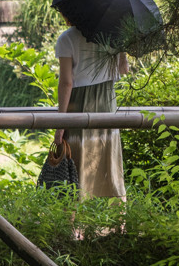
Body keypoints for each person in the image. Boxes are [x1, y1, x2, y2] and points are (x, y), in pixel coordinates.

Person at [53, 19, 129, 200]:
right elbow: (124, 69)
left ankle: (74, 222)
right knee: (108, 160)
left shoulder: (67, 38)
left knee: (76, 163)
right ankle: (117, 222)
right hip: (107, 102)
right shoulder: (113, 35)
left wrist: (59, 125)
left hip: (78, 104)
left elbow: (66, 82)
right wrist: (123, 46)